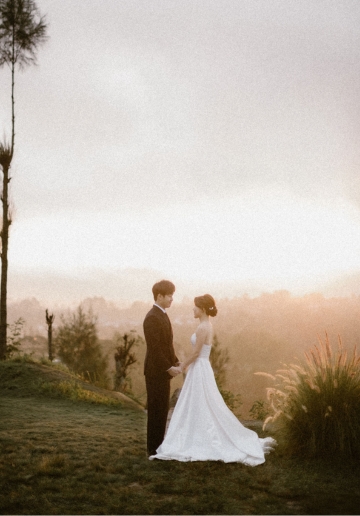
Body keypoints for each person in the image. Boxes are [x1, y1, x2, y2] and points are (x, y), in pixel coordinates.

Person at [149, 294, 276, 465]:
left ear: (201, 309)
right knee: (198, 402)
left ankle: (198, 437)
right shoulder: (206, 325)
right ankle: (197, 432)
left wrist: (181, 367)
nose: (193, 309)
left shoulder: (203, 327)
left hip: (199, 367)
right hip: (200, 367)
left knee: (200, 401)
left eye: (195, 307)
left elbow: (196, 353)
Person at [143, 280, 181, 457]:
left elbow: (167, 345)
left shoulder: (163, 314)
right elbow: (155, 349)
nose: (172, 299)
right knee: (156, 411)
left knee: (162, 410)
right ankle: (153, 449)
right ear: (160, 296)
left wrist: (175, 361)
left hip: (163, 371)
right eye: (169, 295)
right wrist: (168, 368)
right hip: (155, 372)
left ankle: (159, 446)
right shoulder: (152, 318)